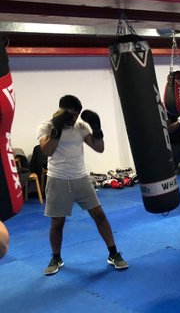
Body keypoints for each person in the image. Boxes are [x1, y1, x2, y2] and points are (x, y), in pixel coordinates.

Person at [37, 95, 128, 276]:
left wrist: (97, 130)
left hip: (81, 178)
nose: (74, 119)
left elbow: (99, 148)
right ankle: (56, 257)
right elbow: (47, 150)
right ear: (62, 111)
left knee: (100, 216)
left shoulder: (81, 127)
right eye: (71, 115)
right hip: (58, 179)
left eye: (77, 115)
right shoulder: (46, 126)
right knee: (57, 223)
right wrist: (57, 128)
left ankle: (113, 253)